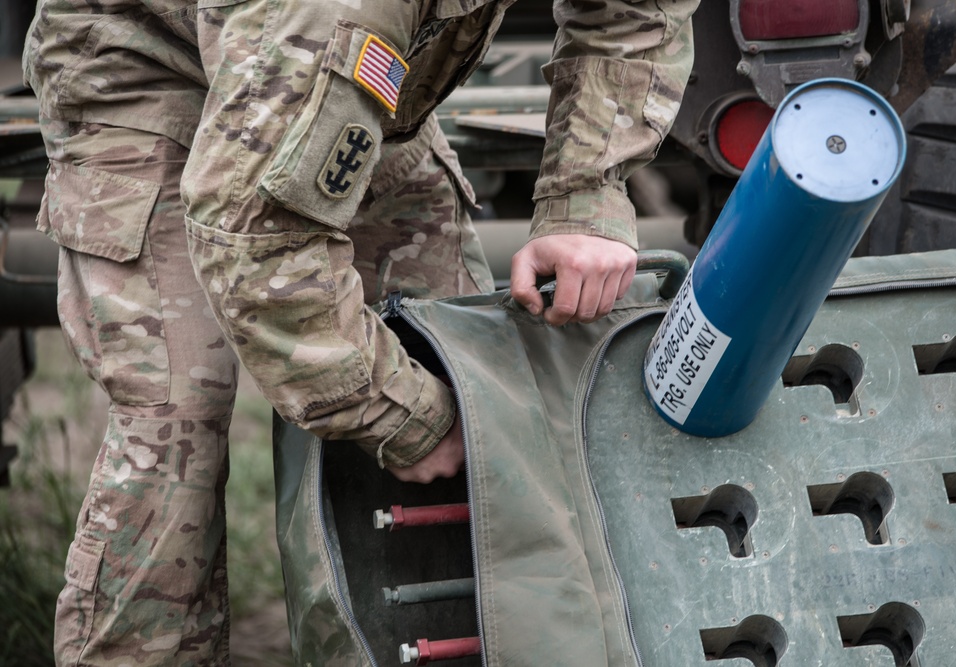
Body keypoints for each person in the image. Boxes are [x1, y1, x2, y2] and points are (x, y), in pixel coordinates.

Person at [22, 0, 699, 663]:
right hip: (148, 70)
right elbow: (258, 247)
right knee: (178, 418)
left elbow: (635, 12)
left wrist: (583, 199)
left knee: (468, 378)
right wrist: (400, 414)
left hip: (349, 72)